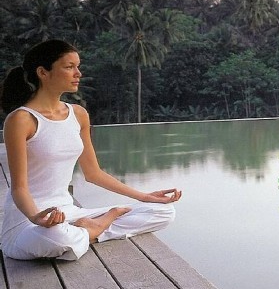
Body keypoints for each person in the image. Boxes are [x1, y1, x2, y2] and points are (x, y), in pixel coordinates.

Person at [1, 39, 181, 261]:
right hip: (26, 221)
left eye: (78, 66)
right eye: (69, 67)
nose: (78, 73)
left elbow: (93, 173)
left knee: (163, 212)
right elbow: (19, 188)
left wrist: (145, 196)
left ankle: (85, 232)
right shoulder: (21, 119)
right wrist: (36, 217)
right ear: (43, 73)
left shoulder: (78, 114)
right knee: (58, 238)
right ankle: (95, 228)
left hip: (70, 213)